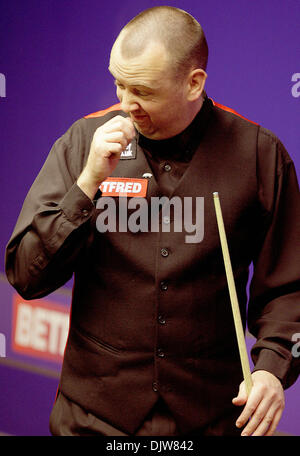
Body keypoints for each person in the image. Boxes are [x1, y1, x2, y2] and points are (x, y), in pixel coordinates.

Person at [5, 6, 300, 437]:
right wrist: (87, 185)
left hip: (212, 420)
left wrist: (274, 370)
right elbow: (25, 275)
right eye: (119, 84)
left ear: (193, 83)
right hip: (92, 419)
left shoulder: (259, 155)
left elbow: (291, 289)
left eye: (142, 90)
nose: (126, 105)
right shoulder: (83, 141)